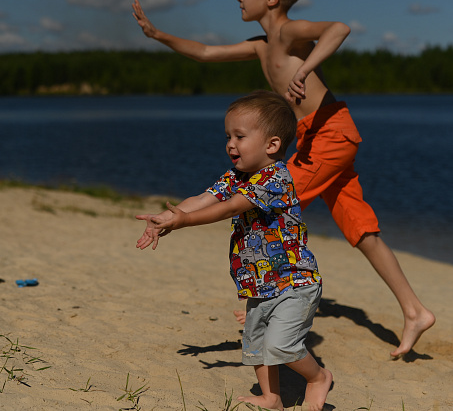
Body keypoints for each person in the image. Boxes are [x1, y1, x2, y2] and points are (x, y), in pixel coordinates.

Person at [132, 0, 434, 358]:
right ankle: (415, 311)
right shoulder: (261, 46)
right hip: (322, 137)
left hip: (327, 135)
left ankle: (265, 298)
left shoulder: (289, 32)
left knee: (264, 205)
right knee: (363, 231)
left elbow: (338, 28)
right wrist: (158, 35)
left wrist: (305, 68)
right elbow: (204, 51)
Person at [137, 91, 332, 411]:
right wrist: (170, 217)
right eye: (228, 136)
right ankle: (272, 397)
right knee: (256, 345)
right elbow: (205, 199)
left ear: (271, 145)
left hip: (294, 282)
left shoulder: (275, 178)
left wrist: (185, 221)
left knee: (281, 344)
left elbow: (229, 208)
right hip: (259, 282)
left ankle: (318, 377)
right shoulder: (237, 176)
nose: (230, 144)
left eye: (240, 136)